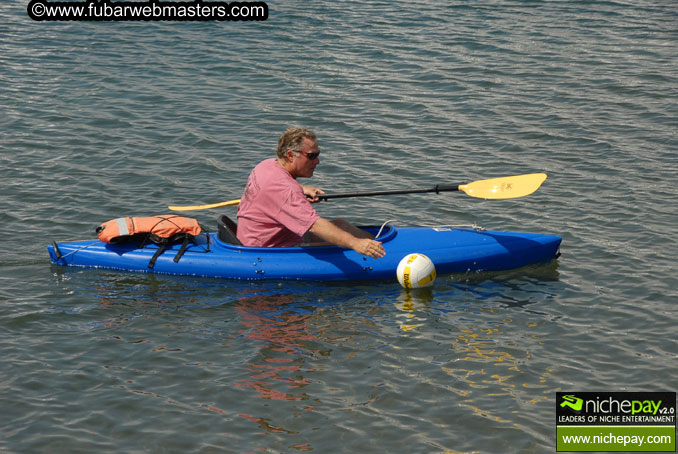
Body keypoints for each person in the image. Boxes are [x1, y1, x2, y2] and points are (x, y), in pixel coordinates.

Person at [236, 127, 386, 259]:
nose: (317, 161)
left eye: (317, 154)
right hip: (267, 250)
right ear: (290, 155)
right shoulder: (287, 191)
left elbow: (277, 189)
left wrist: (301, 188)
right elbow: (314, 225)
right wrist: (356, 244)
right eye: (311, 156)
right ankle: (381, 251)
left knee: (341, 224)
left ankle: (380, 244)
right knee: (342, 243)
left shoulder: (267, 165)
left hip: (250, 237)